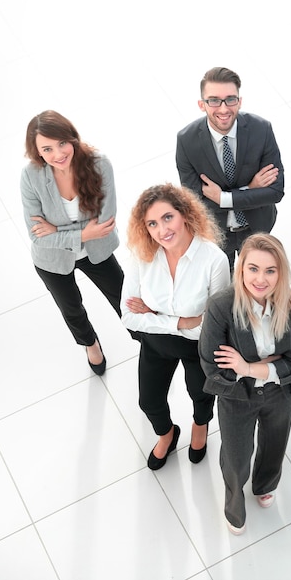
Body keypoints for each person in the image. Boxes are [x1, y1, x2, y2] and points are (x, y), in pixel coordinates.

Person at [199, 234, 291, 535]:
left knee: (275, 444)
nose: (261, 279)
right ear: (241, 269)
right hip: (236, 397)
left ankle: (265, 485)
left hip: (279, 395)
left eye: (270, 270)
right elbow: (211, 366)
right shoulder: (222, 306)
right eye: (253, 269)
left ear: (280, 272)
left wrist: (248, 367)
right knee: (235, 457)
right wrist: (273, 364)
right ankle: (234, 503)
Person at [121, 184, 230, 470]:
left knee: (201, 393)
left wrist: (154, 313)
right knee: (149, 401)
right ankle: (168, 434)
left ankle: (200, 425)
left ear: (184, 214)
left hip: (199, 347)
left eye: (167, 217)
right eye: (152, 224)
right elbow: (129, 317)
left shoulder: (214, 259)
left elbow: (214, 326)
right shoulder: (142, 256)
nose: (162, 230)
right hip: (157, 344)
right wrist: (182, 321)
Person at [21, 110, 124, 376]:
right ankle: (90, 344)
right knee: (71, 308)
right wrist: (81, 234)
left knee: (124, 298)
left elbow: (105, 223)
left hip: (97, 251)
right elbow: (36, 235)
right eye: (47, 148)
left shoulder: (100, 164)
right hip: (52, 260)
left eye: (62, 143)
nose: (58, 154)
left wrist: (56, 229)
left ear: (72, 138)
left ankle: (149, 340)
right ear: (37, 152)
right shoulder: (31, 176)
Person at [176, 66, 285, 269]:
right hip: (216, 233)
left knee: (255, 284)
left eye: (230, 99)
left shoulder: (261, 129)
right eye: (214, 100)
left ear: (239, 101)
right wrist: (250, 189)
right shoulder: (186, 140)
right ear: (202, 104)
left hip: (257, 227)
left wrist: (224, 197)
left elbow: (275, 191)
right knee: (224, 291)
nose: (224, 108)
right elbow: (193, 203)